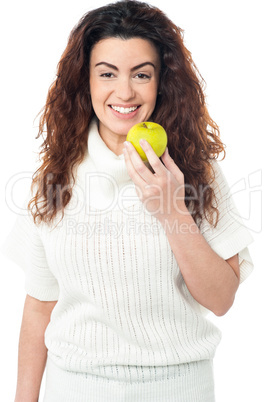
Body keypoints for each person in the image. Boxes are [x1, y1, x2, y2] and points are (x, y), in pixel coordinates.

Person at [2, 1, 254, 401]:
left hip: (179, 390)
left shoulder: (195, 170)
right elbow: (39, 306)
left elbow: (222, 299)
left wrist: (172, 210)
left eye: (141, 74)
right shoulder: (55, 174)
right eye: (107, 74)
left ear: (162, 82)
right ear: (86, 81)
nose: (125, 92)